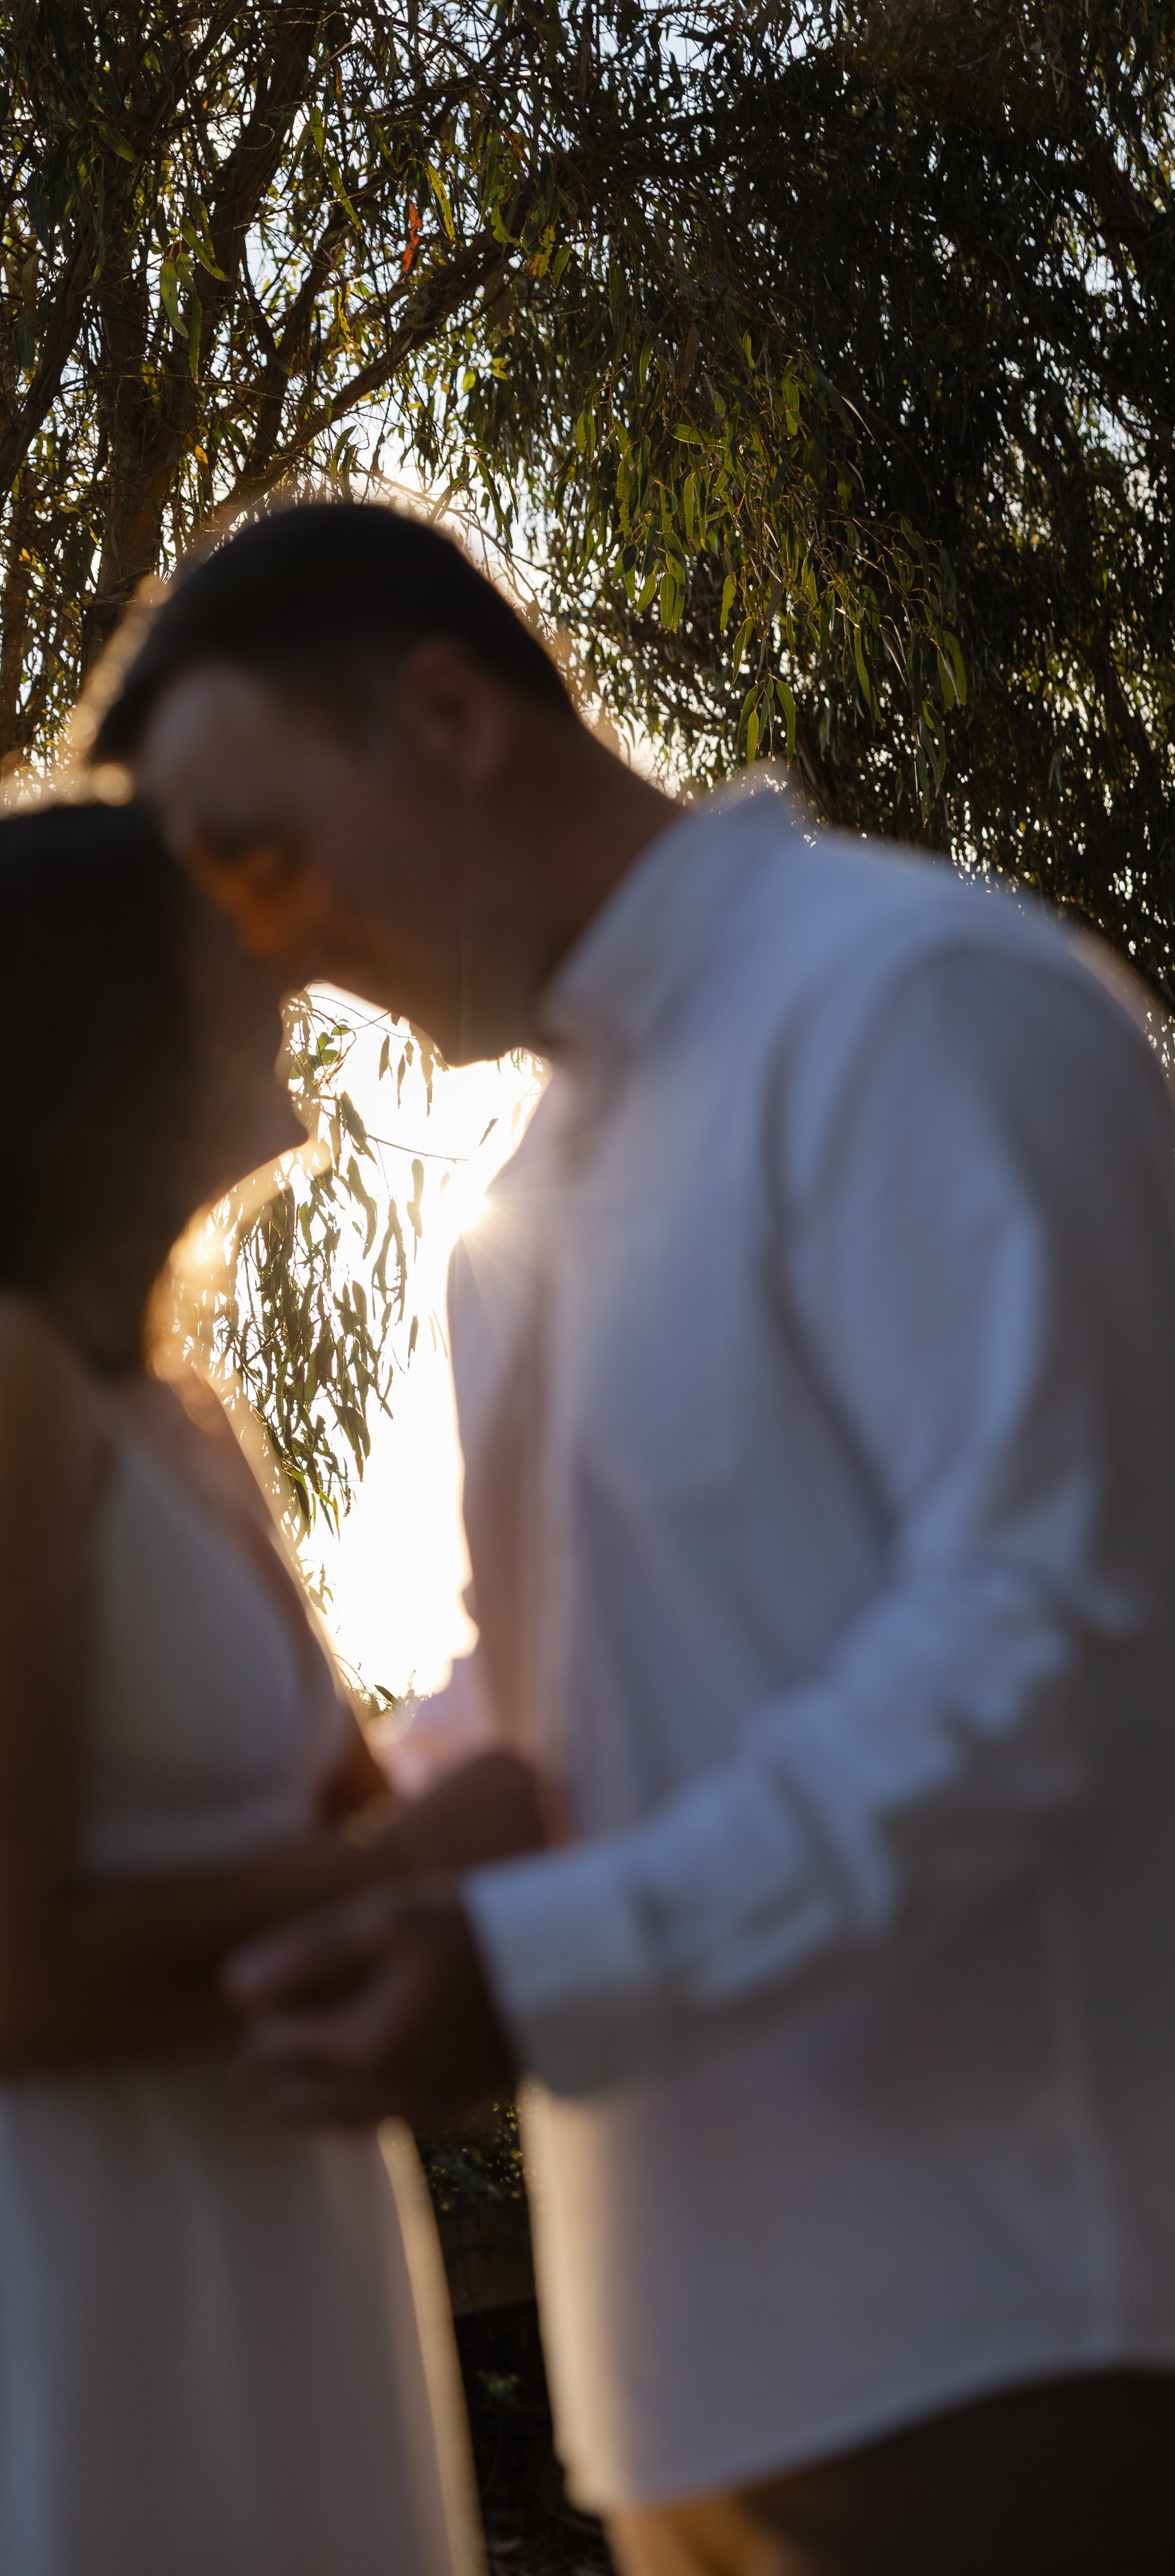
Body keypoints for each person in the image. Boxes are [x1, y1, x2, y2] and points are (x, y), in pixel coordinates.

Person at [92, 501, 1175, 2575]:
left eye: (260, 849)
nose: (262, 942)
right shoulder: (527, 1202)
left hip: (1007, 2335)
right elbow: (579, 1668)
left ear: (444, 715)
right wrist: (321, 1856)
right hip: (683, 2380)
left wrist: (533, 1965)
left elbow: (1058, 1631)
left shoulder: (917, 1009)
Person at [0, 800, 542, 2576]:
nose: (282, 963)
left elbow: (332, 1821)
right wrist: (411, 1862)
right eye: (222, 939)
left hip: (248, 2200)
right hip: (44, 2234)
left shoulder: (174, 1412)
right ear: (82, 1027)